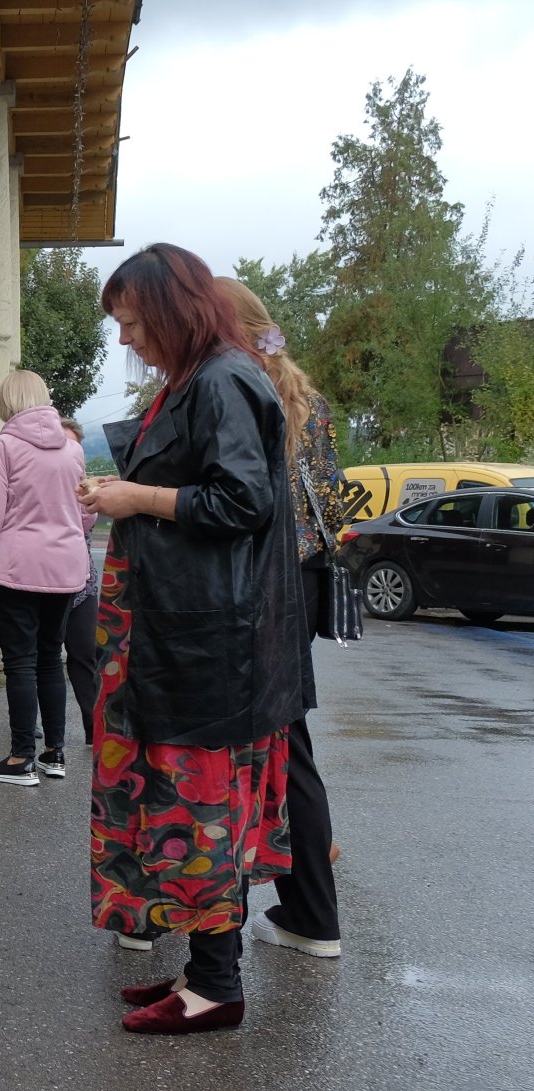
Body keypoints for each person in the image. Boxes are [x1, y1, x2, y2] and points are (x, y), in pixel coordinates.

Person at [83, 243, 302, 1035]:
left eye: (133, 322)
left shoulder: (222, 379)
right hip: (185, 638)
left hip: (209, 650)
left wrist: (134, 497)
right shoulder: (200, 377)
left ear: (172, 311)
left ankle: (215, 987)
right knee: (194, 810)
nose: (124, 339)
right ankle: (205, 969)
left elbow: (241, 500)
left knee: (201, 811)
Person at [218, 276, 344, 959]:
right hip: (307, 578)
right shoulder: (306, 397)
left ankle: (302, 909)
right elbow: (334, 494)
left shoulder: (240, 389)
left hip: (263, 580)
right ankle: (309, 907)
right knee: (291, 739)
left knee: (271, 743)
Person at [0, 371, 90, 786]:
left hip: (17, 569)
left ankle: (21, 759)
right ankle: (55, 754)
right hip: (66, 569)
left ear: (7, 402)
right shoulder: (73, 451)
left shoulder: (4, 448)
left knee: (20, 662)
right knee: (52, 658)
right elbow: (87, 512)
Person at [58, 418, 102, 748]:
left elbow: (86, 521)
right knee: (41, 659)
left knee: (85, 655)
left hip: (83, 586)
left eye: (74, 446)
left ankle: (94, 729)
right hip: (46, 584)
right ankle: (41, 732)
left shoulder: (85, 487)